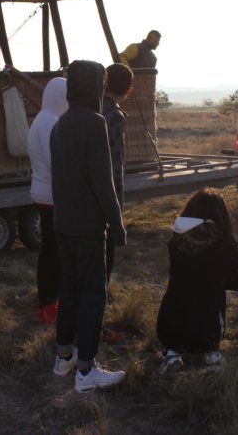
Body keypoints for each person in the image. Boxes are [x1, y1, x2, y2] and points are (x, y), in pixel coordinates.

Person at [50, 60, 128, 393]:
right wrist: (117, 224)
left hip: (63, 224)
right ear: (94, 87)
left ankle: (64, 357)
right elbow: (103, 182)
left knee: (68, 292)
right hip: (88, 228)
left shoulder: (60, 124)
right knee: (93, 296)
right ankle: (86, 371)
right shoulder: (95, 123)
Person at [155, 188, 238, 374]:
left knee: (177, 317)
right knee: (210, 319)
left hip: (169, 323)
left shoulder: (175, 242)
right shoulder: (226, 246)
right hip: (207, 326)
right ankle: (212, 356)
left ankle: (172, 355)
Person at [28, 77, 68, 324]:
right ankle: (49, 301)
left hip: (43, 192)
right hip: (51, 194)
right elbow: (57, 164)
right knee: (54, 253)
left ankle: (47, 297)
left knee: (49, 250)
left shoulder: (42, 119)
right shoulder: (51, 123)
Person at [101, 62, 134, 343]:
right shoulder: (114, 117)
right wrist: (117, 212)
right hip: (105, 200)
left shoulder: (86, 110)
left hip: (82, 199)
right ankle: (97, 326)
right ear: (129, 90)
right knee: (103, 264)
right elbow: (114, 169)